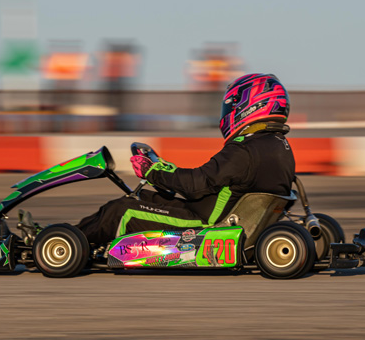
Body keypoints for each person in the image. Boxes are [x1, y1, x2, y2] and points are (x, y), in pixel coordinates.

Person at [76, 73, 295, 247]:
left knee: (122, 209)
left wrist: (151, 172)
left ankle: (69, 243)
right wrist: (162, 170)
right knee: (141, 196)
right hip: (217, 211)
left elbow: (195, 186)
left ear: (251, 105)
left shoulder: (244, 150)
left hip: (205, 223)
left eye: (232, 105)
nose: (228, 111)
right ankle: (73, 235)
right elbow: (207, 182)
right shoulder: (277, 146)